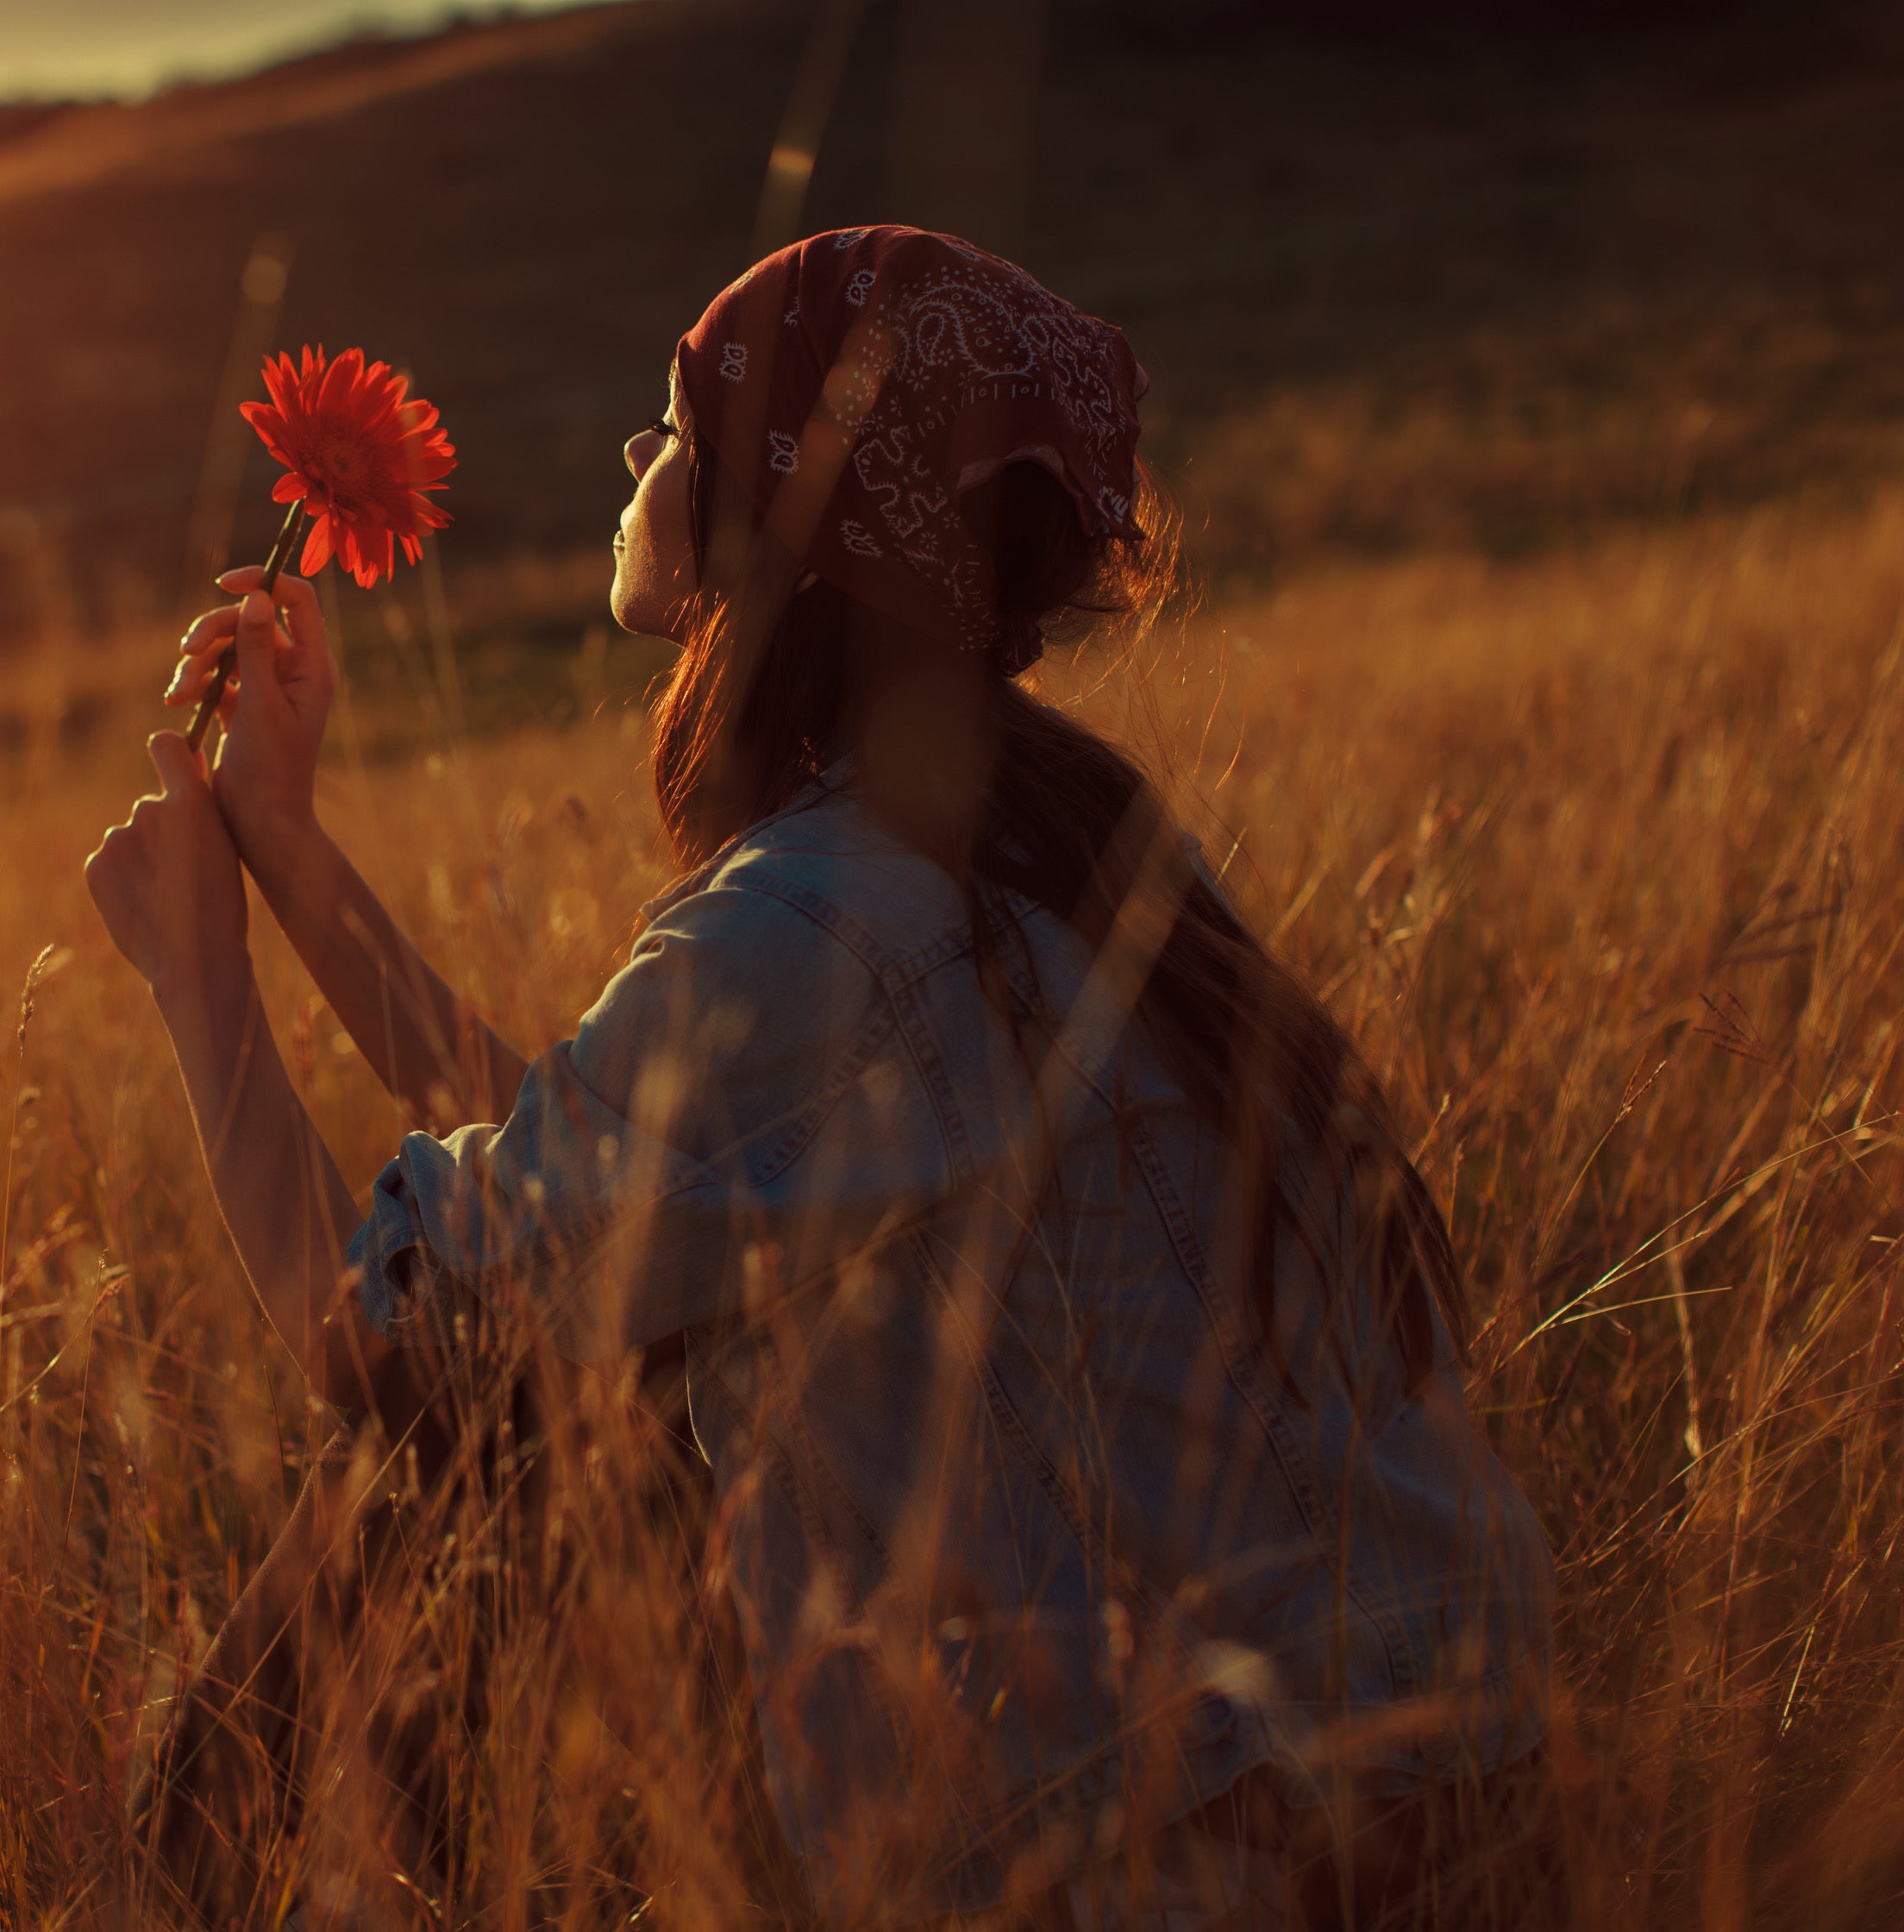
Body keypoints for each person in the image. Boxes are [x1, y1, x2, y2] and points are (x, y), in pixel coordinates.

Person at [85, 227, 1559, 1929]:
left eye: (673, 425)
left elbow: (383, 1340)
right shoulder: (1077, 841)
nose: (643, 463)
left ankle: (191, 1885)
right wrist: (285, 845)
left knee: (431, 1462)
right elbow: (621, 1189)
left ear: (776, 507)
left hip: (1188, 1863)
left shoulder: (814, 926)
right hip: (1458, 1811)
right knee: (544, 1399)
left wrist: (205, 982)